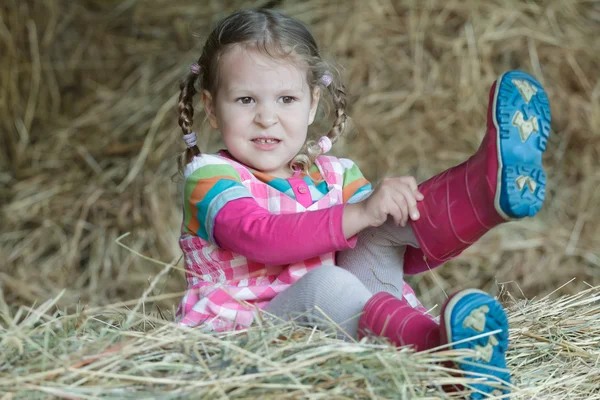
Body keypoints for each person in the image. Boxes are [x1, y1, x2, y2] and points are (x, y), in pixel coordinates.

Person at [174, 8, 551, 397]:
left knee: (381, 227)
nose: (266, 117)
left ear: (312, 103)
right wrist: (359, 212)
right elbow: (259, 236)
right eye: (246, 100)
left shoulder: (335, 174)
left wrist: (379, 212)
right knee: (328, 282)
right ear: (211, 108)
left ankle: (482, 194)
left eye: (286, 98)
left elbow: (400, 255)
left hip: (346, 326)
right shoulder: (210, 177)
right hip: (251, 343)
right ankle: (435, 354)